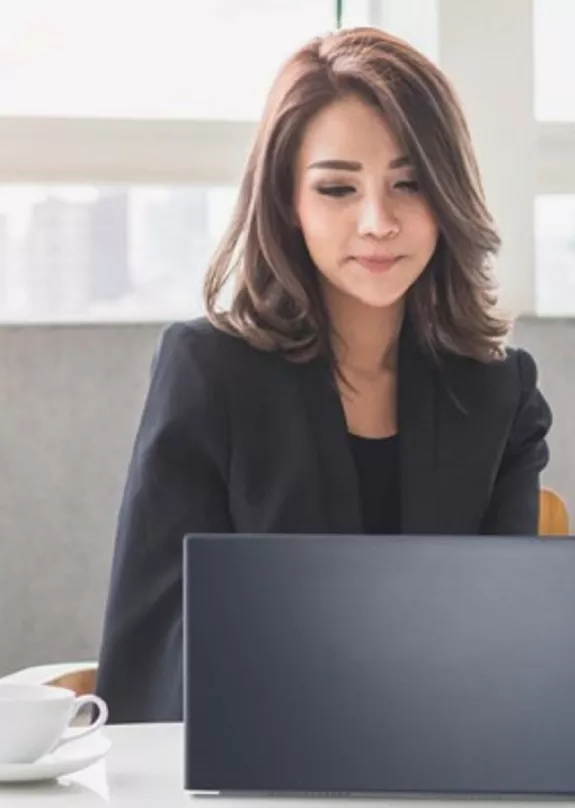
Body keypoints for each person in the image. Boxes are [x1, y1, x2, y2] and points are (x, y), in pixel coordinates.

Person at [96, 26, 552, 723]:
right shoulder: (207, 372)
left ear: (448, 196)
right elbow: (153, 652)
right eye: (337, 188)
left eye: (409, 184)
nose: (377, 221)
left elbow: (508, 653)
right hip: (249, 772)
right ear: (288, 202)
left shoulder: (499, 394)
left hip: (442, 768)